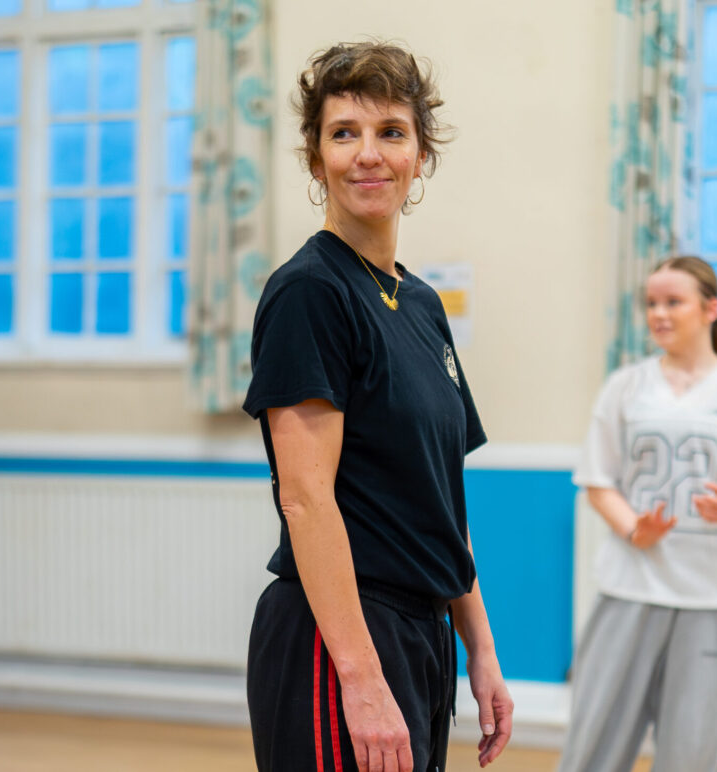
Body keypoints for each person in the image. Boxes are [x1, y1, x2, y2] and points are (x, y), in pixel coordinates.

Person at [241, 41, 513, 772]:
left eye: (391, 132)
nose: (368, 154)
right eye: (343, 133)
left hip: (421, 632)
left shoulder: (420, 303)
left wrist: (478, 649)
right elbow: (304, 499)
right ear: (314, 156)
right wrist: (359, 679)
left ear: (420, 155)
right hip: (342, 634)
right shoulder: (310, 292)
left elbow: (441, 502)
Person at [557, 256, 717, 772]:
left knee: (692, 751)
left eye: (673, 302)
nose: (659, 314)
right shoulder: (625, 387)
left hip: (713, 596)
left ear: (710, 308)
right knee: (593, 744)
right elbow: (598, 481)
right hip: (630, 588)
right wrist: (633, 529)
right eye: (651, 304)